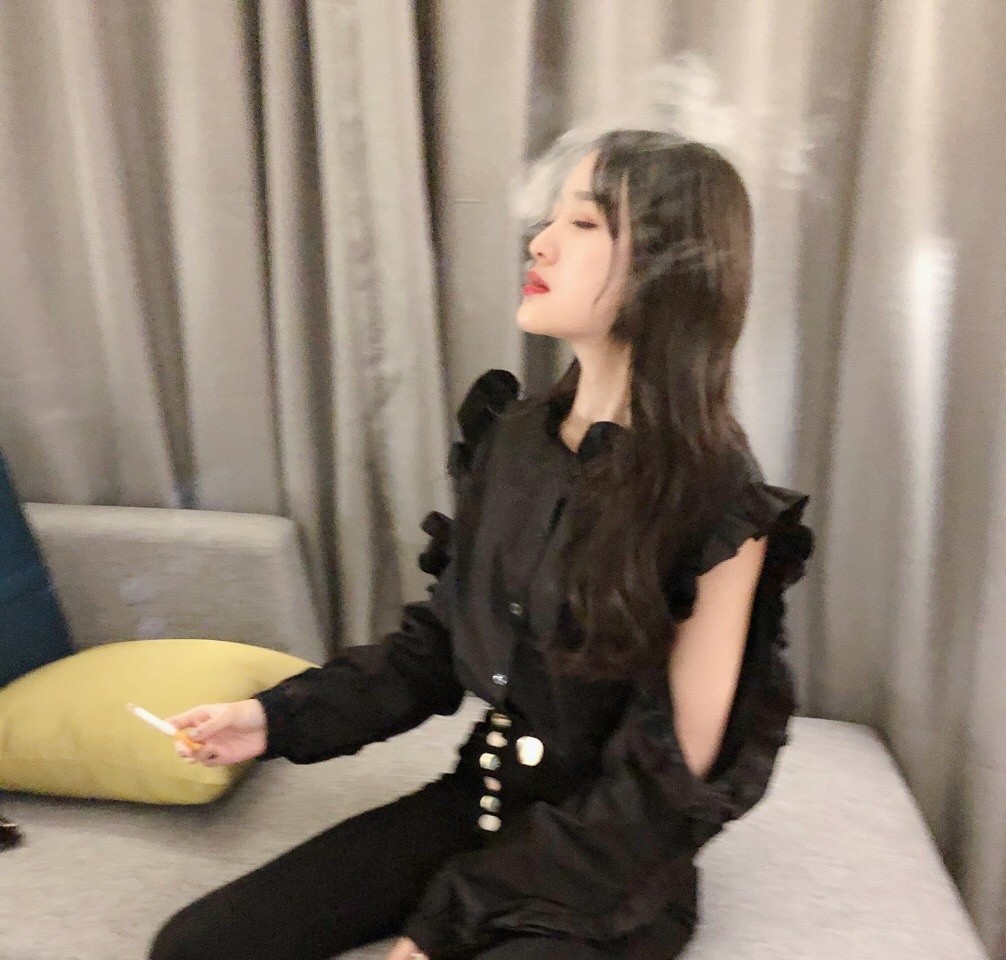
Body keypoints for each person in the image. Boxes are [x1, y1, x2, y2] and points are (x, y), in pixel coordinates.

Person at [148, 129, 815, 960]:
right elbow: (437, 647)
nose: (541, 242)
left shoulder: (718, 500)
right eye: (552, 218)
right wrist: (270, 720)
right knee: (194, 948)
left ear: (670, 267)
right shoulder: (514, 440)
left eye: (585, 223)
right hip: (480, 803)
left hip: (604, 864)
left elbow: (667, 779)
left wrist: (448, 919)